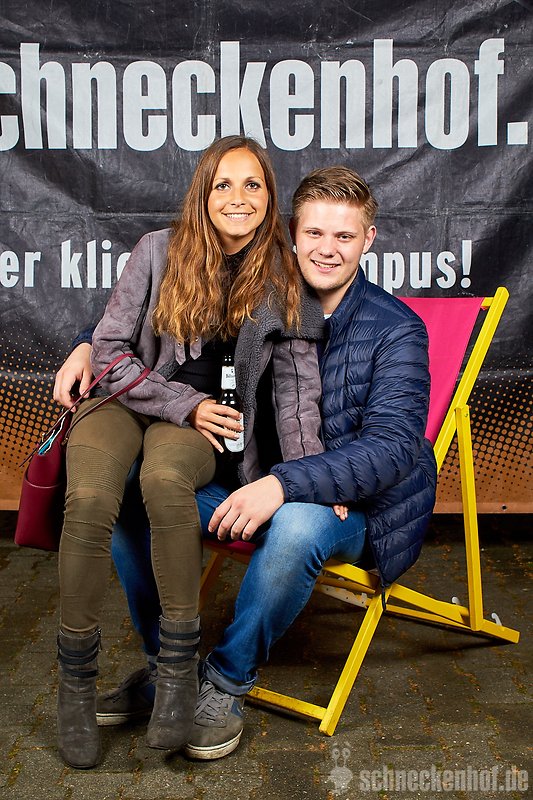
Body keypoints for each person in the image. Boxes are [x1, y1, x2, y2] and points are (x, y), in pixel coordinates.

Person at [55, 165, 437, 762]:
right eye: (314, 233)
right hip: (253, 483)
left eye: (344, 236)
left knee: (299, 525)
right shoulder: (264, 283)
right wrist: (85, 340)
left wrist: (286, 485)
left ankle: (225, 681)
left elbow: (392, 449)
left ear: (369, 239)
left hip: (354, 506)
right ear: (291, 234)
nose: (327, 250)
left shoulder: (396, 330)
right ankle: (167, 670)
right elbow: (162, 300)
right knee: (132, 490)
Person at [54, 135, 326, 770]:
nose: (238, 197)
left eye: (253, 184)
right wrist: (185, 402)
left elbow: (297, 391)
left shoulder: (285, 274)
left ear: (271, 197)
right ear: (203, 193)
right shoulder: (157, 250)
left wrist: (310, 474)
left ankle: (176, 673)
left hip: (202, 428)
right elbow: (110, 349)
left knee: (164, 479)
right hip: (127, 401)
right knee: (90, 497)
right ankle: (75, 689)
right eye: (222, 184)